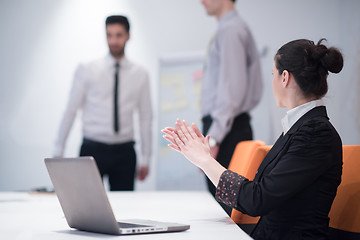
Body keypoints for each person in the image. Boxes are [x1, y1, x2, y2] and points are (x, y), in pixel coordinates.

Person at [162, 38, 343, 239]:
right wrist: (205, 160)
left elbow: (257, 200)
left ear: (285, 77)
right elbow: (256, 196)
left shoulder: (315, 134)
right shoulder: (302, 128)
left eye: (273, 74)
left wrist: (205, 161)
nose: (272, 81)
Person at [54, 15, 153, 191]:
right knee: (86, 207)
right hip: (92, 150)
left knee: (125, 210)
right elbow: (70, 110)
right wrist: (58, 149)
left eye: (118, 35)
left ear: (128, 36)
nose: (113, 40)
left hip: (125, 152)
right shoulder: (87, 69)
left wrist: (146, 157)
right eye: (109, 35)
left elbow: (145, 116)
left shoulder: (140, 74)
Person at [200, 0, 263, 205]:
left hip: (227, 130)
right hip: (228, 126)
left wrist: (214, 138)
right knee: (225, 207)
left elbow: (232, 91)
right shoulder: (231, 28)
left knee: (225, 209)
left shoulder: (230, 30)